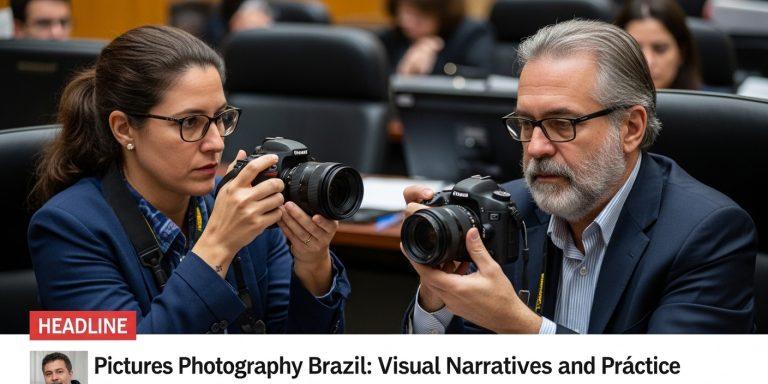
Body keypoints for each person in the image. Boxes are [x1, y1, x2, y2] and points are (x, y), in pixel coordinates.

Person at [402, 19, 756, 334]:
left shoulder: (706, 234)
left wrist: (521, 328)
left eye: (562, 124)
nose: (537, 147)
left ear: (631, 128)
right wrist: (437, 297)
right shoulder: (506, 212)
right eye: (527, 124)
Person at [28, 25, 350, 334]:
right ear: (124, 128)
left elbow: (304, 364)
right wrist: (218, 246)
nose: (216, 143)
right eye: (190, 122)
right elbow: (119, 371)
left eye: (220, 119)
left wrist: (312, 267)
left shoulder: (246, 213)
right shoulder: (66, 229)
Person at [379, 0, 494, 77]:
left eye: (419, 16)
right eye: (405, 12)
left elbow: (481, 74)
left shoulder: (471, 33)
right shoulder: (392, 36)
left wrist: (435, 65)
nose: (408, 22)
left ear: (441, 14)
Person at [615, 0, 702, 90]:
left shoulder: (713, 102)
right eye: (634, 50)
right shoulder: (602, 103)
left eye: (660, 49)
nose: (648, 62)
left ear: (682, 53)